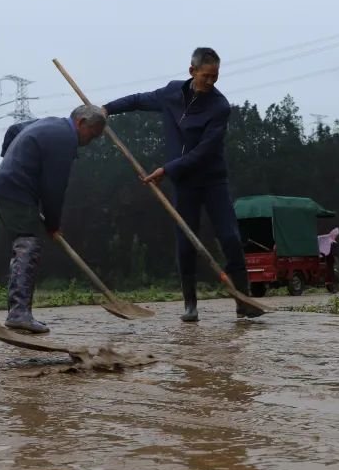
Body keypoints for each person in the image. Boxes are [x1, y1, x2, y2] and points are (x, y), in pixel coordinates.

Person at [103, 47, 264, 321]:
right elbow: (139, 100)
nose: (211, 82)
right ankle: (190, 304)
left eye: (215, 77)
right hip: (184, 184)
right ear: (192, 72)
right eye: (206, 76)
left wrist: (167, 168)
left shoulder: (219, 107)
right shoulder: (171, 93)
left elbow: (204, 150)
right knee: (186, 242)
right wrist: (107, 109)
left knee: (230, 237)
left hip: (212, 180)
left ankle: (243, 300)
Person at [0, 105, 107, 334]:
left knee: (25, 242)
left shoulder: (50, 122)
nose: (89, 141)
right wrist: (53, 224)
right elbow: (54, 188)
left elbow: (14, 129)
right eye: (91, 134)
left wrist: (9, 160)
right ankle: (18, 314)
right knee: (28, 244)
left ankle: (19, 312)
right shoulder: (65, 140)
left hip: (4, 186)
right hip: (16, 191)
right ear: (81, 122)